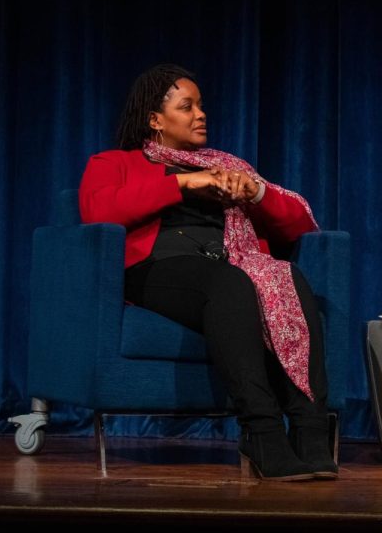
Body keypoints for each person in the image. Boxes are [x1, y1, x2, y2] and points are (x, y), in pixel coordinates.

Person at [79, 64, 337, 482]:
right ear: (155, 121)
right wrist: (183, 184)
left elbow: (301, 226)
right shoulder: (115, 162)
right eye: (187, 106)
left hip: (226, 269)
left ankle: (310, 433)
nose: (201, 114)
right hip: (156, 271)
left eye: (201, 106)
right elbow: (98, 210)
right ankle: (262, 433)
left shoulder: (226, 167)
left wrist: (253, 191)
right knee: (231, 282)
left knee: (284, 276)